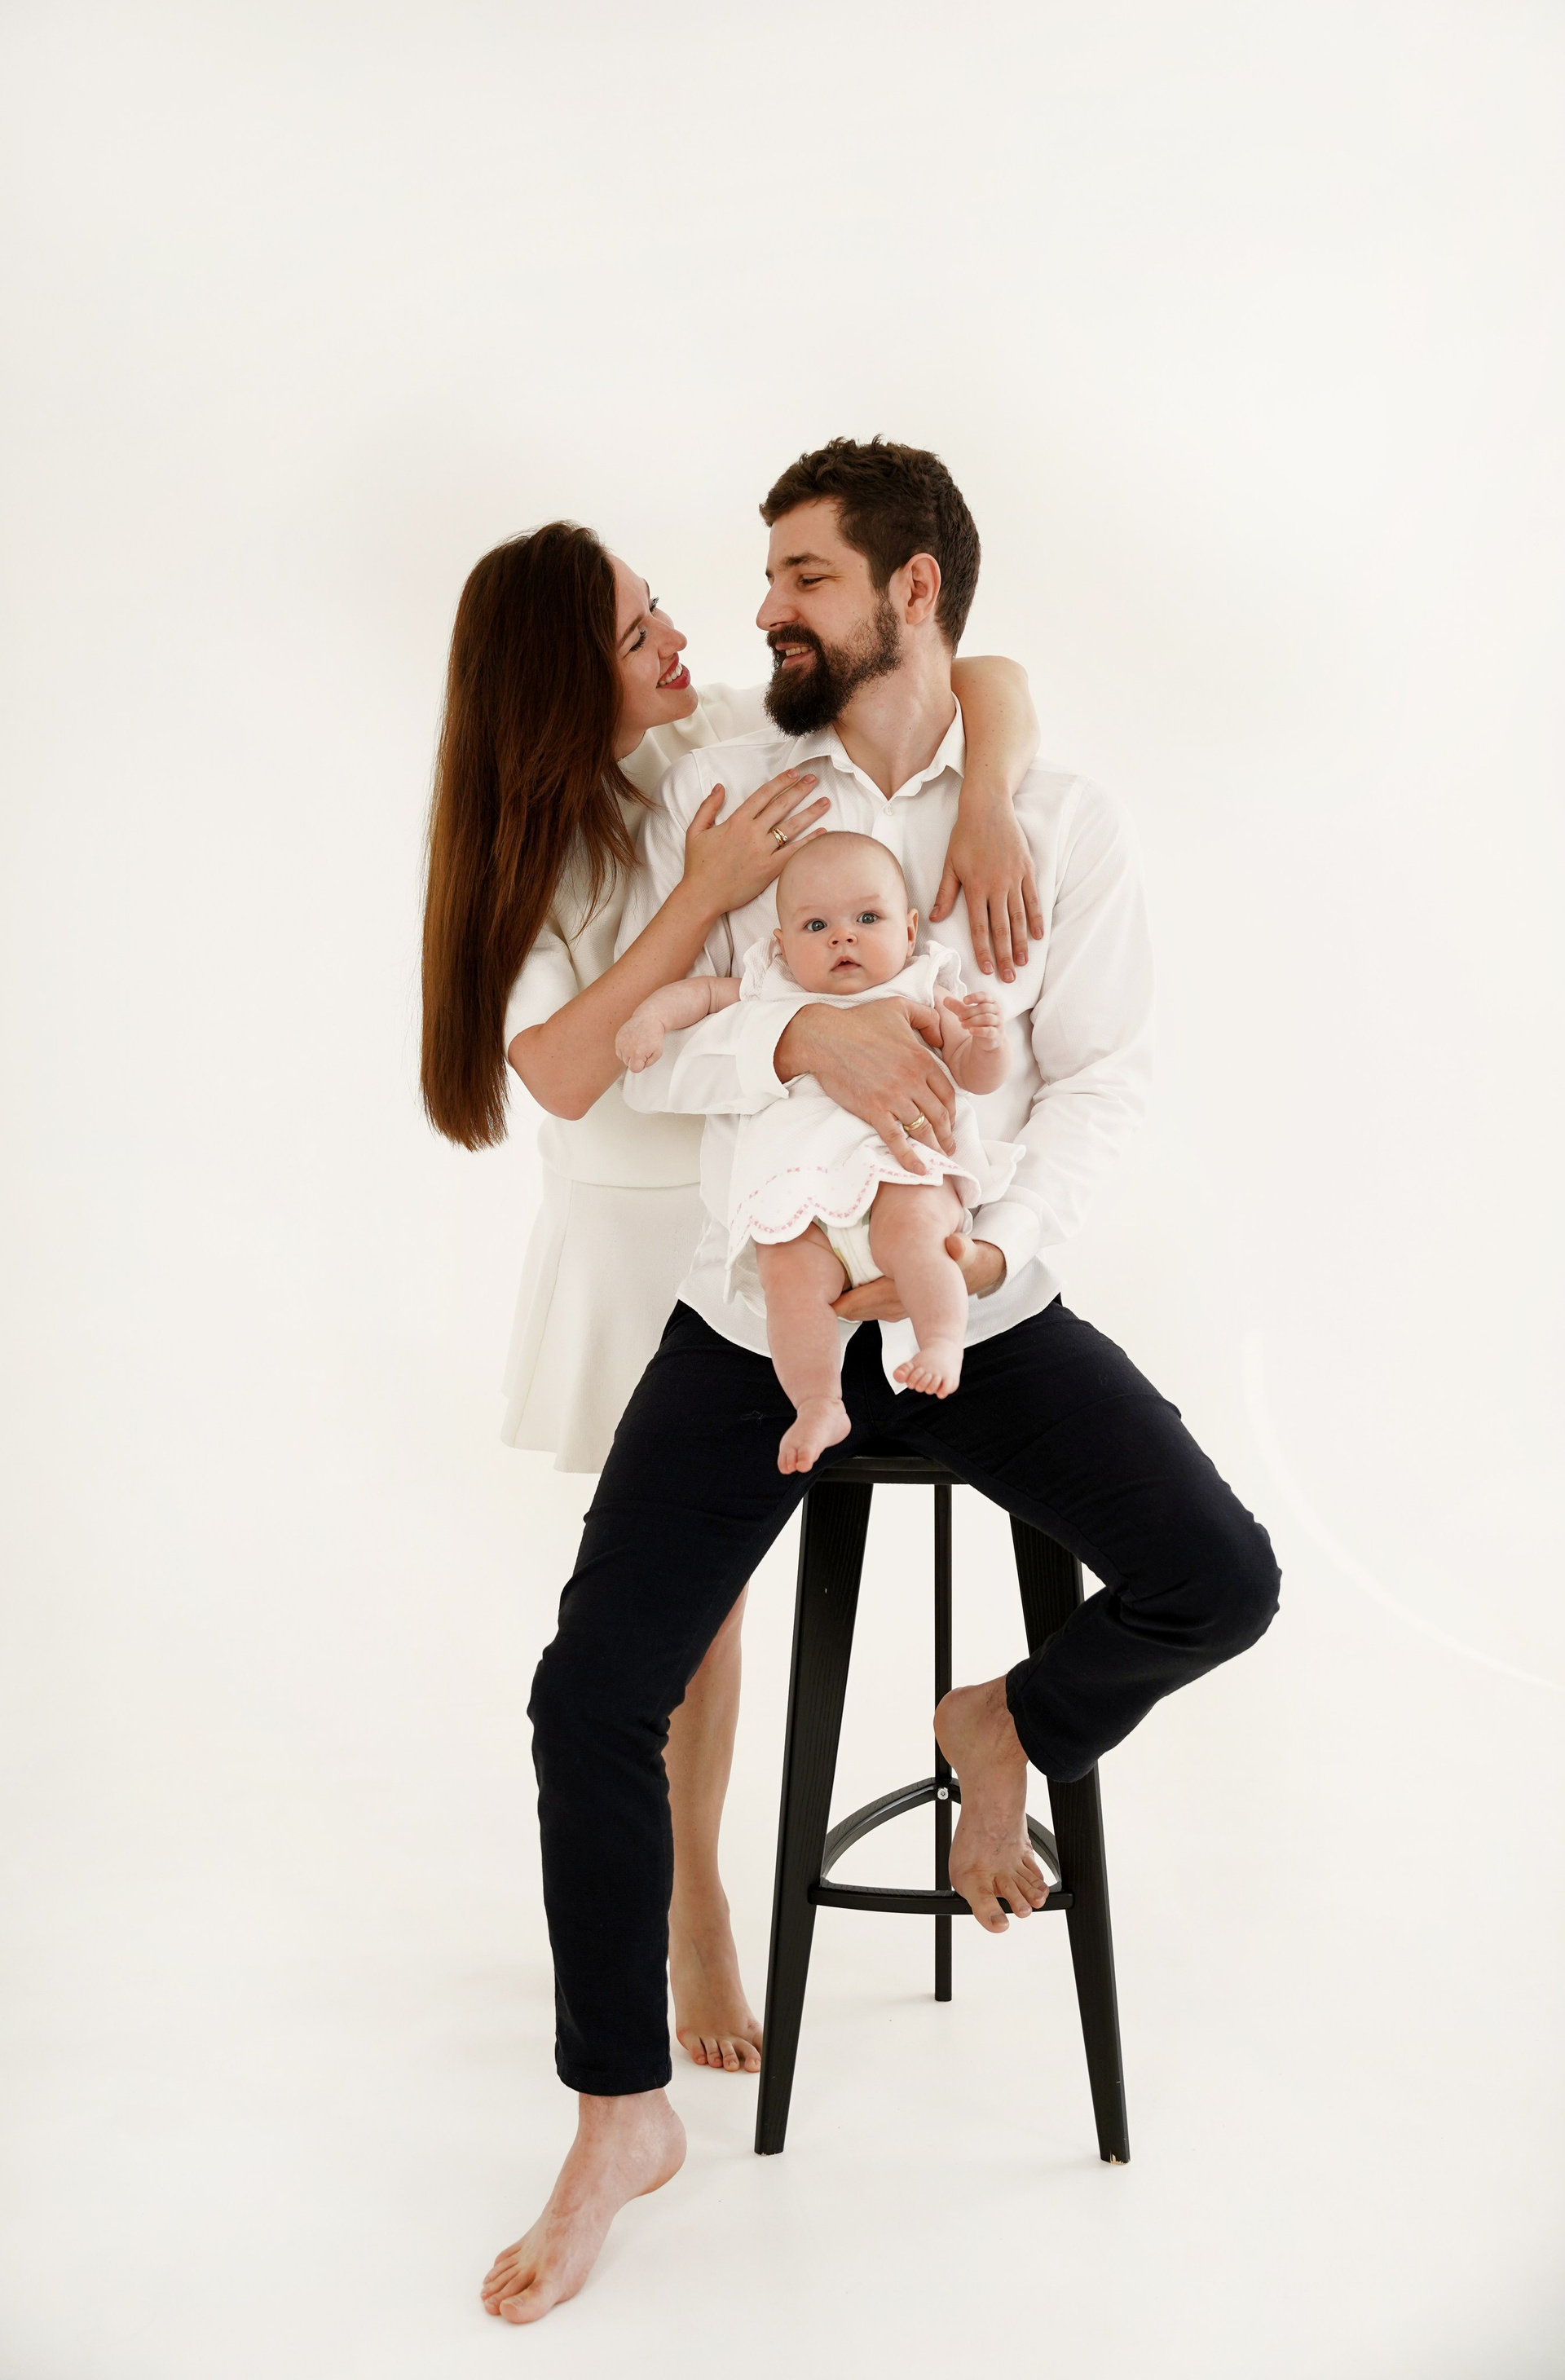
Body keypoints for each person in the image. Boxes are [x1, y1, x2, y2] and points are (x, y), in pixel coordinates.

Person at [482, 438, 1281, 2325]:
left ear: (912, 591)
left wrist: (993, 1259)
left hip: (973, 1301)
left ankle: (1007, 1721)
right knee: (588, 1693)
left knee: (1221, 1578)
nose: (763, 607)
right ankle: (618, 2114)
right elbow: (661, 1043)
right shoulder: (739, 789)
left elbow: (1103, 1078)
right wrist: (804, 1039)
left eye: (804, 575)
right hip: (756, 1317)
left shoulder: (1053, 818)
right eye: (766, 574)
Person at [421, 521, 1046, 2076]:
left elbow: (982, 674)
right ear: (561, 678)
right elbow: (564, 1072)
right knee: (677, 1615)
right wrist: (702, 893)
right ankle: (691, 1901)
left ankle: (689, 1892)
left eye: (659, 615)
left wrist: (985, 802)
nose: (679, 641)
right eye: (639, 631)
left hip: (768, 1199)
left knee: (713, 1606)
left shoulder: (707, 735)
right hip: (636, 1235)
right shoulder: (533, 844)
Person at [615, 830, 1017, 1466]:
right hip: (798, 1199)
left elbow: (976, 1075)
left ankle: (942, 1342)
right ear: (781, 945)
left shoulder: (921, 986)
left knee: (919, 1237)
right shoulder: (770, 985)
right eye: (816, 925)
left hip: (900, 1174)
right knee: (788, 1283)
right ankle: (818, 1403)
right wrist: (650, 1020)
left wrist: (987, 1045)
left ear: (910, 931)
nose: (842, 938)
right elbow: (700, 995)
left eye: (867, 918)